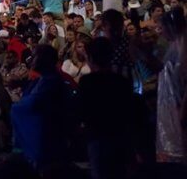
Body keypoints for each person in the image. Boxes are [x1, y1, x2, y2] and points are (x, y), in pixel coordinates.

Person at [78, 37, 137, 179]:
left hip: (97, 137)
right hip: (121, 136)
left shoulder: (87, 82)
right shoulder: (122, 81)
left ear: (91, 57)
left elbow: (82, 110)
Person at [11, 44, 72, 172]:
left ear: (43, 59)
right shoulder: (41, 80)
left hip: (46, 142)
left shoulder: (51, 81)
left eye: (35, 56)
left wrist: (17, 106)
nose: (31, 59)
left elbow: (30, 104)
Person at [155, 6, 187, 165]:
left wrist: (182, 110)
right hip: (170, 102)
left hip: (179, 103)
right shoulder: (173, 46)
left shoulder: (182, 48)